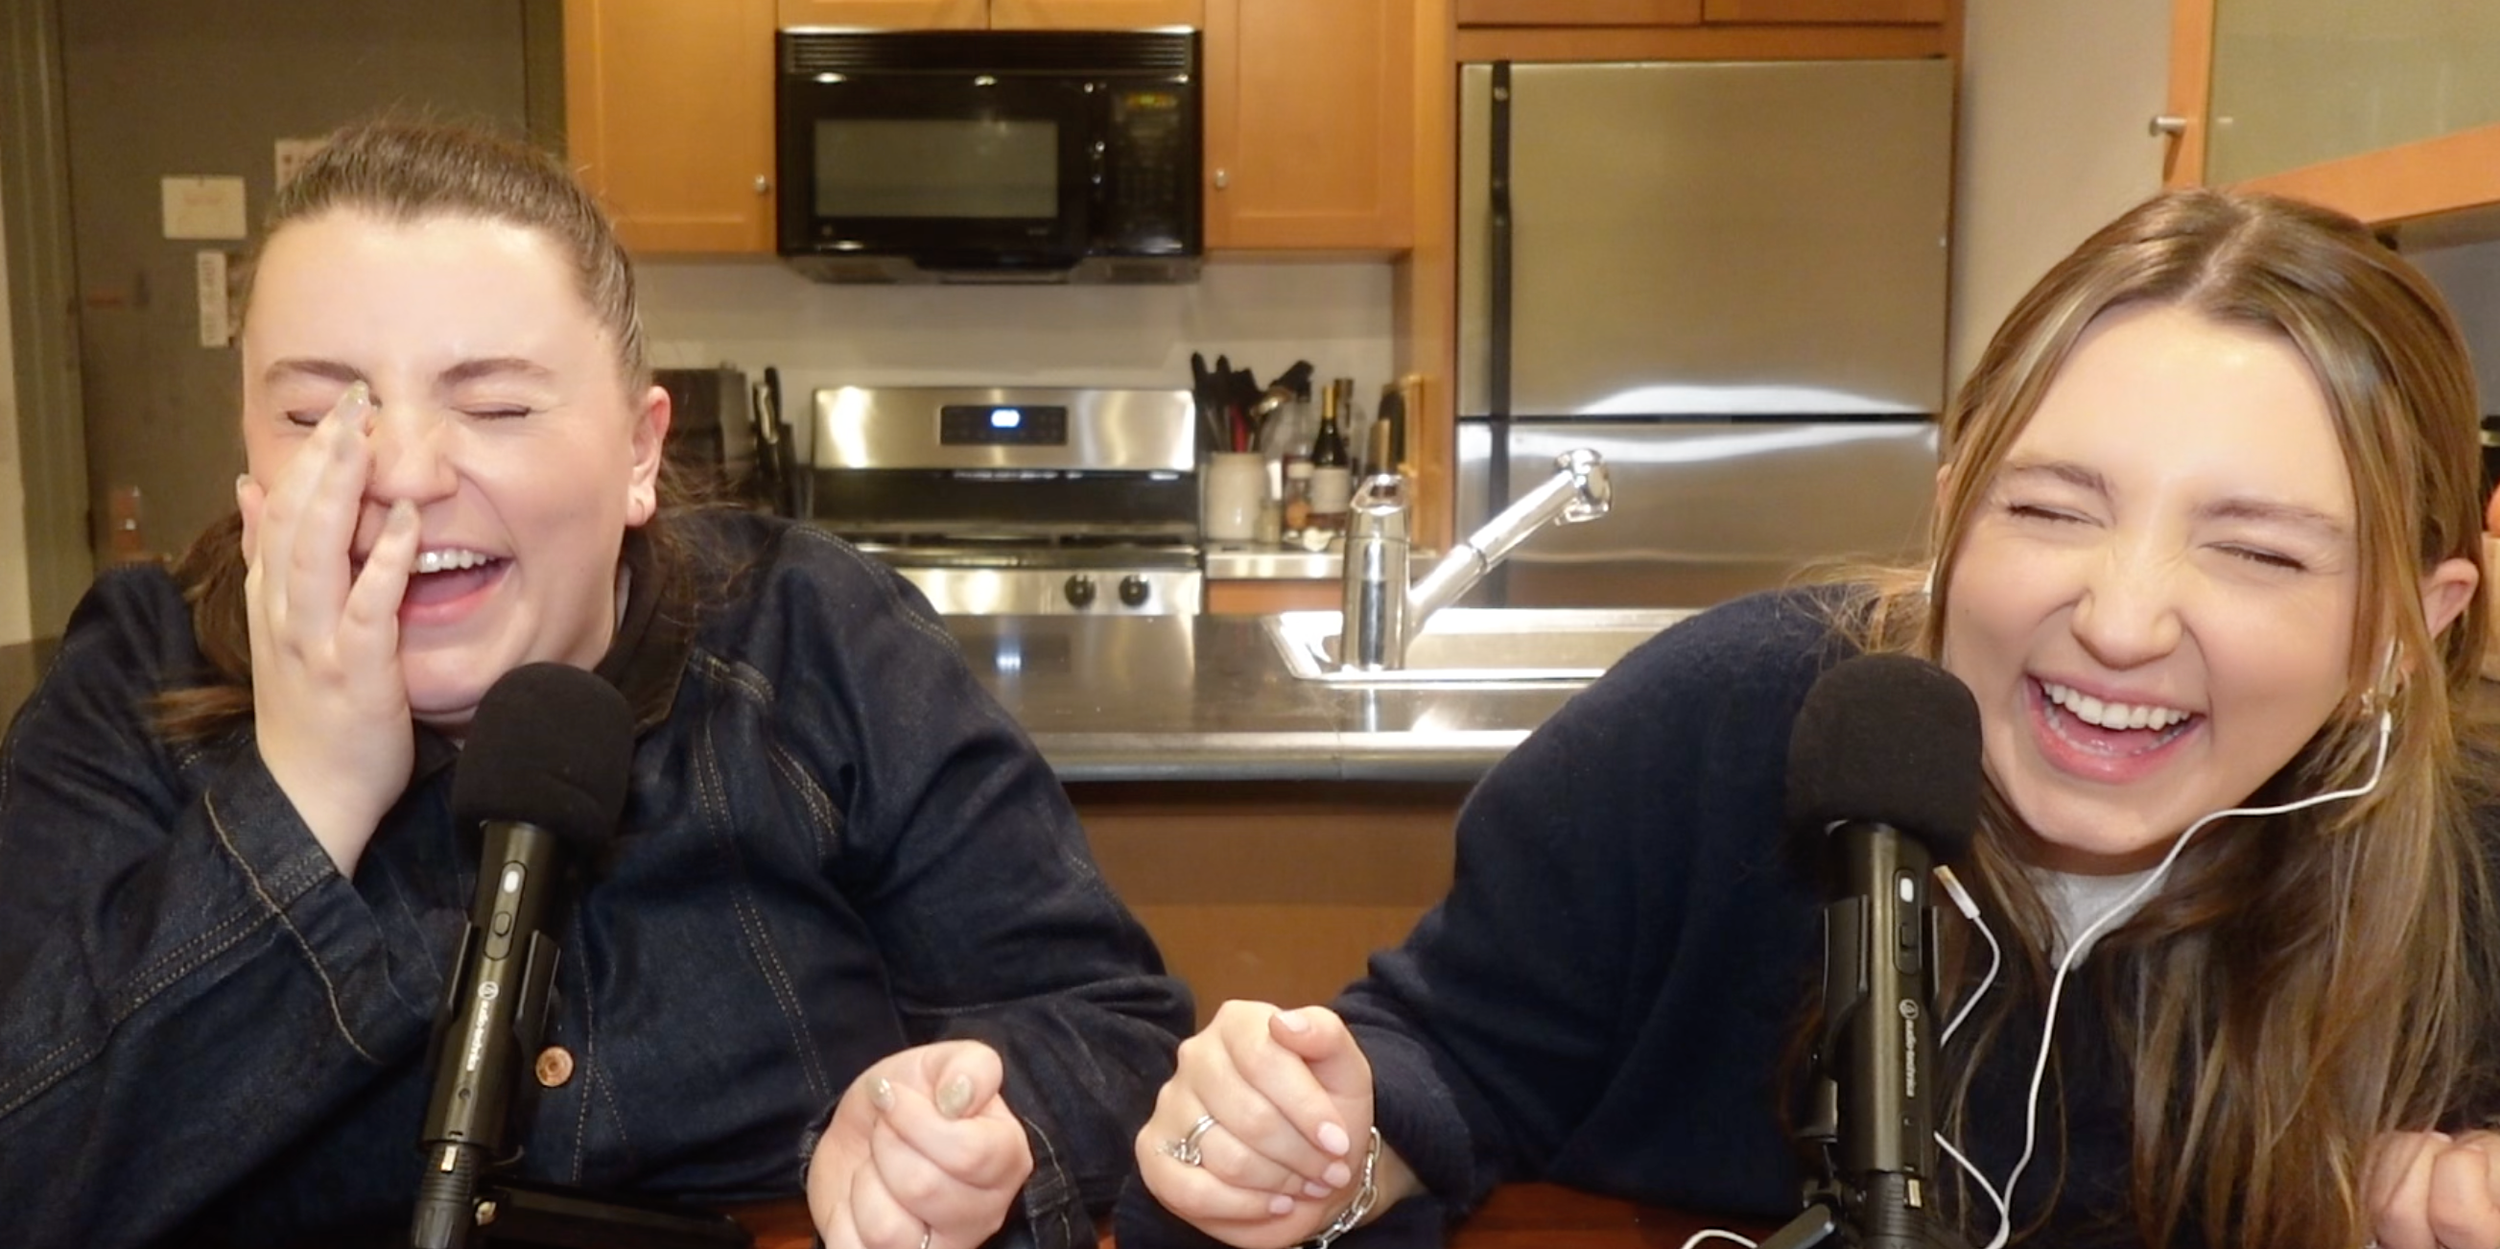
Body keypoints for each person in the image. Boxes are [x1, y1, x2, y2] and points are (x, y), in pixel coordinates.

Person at [1121, 186, 2500, 1249]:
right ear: (1956, 504)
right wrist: (1315, 1141)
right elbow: (1449, 1059)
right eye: (2049, 509)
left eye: (2257, 550)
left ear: (2408, 621)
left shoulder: (2469, 874)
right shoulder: (1731, 719)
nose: (2124, 618)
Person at [0, 118, 1190, 1249]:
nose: (404, 474)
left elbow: (1113, 1031)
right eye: (320, 411)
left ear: (639, 450)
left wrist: (968, 1131)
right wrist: (303, 795)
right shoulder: (138, 673)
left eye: (498, 404)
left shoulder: (815, 639)